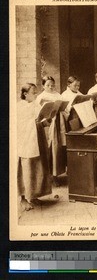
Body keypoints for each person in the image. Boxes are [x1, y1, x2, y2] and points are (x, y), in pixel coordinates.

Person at [17, 83, 52, 211]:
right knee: (27, 168)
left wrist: (47, 119)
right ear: (25, 94)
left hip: (38, 138)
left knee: (38, 166)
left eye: (37, 92)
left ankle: (34, 195)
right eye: (33, 93)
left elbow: (40, 120)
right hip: (26, 141)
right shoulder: (19, 106)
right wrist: (37, 121)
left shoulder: (36, 104)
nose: (36, 95)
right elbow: (20, 124)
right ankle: (24, 199)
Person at [37, 76, 67, 182]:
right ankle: (49, 176)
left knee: (58, 149)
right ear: (43, 86)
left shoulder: (58, 94)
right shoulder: (41, 97)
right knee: (49, 149)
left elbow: (64, 108)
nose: (51, 87)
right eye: (48, 85)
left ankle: (56, 174)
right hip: (47, 125)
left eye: (52, 85)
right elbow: (38, 113)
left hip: (59, 123)